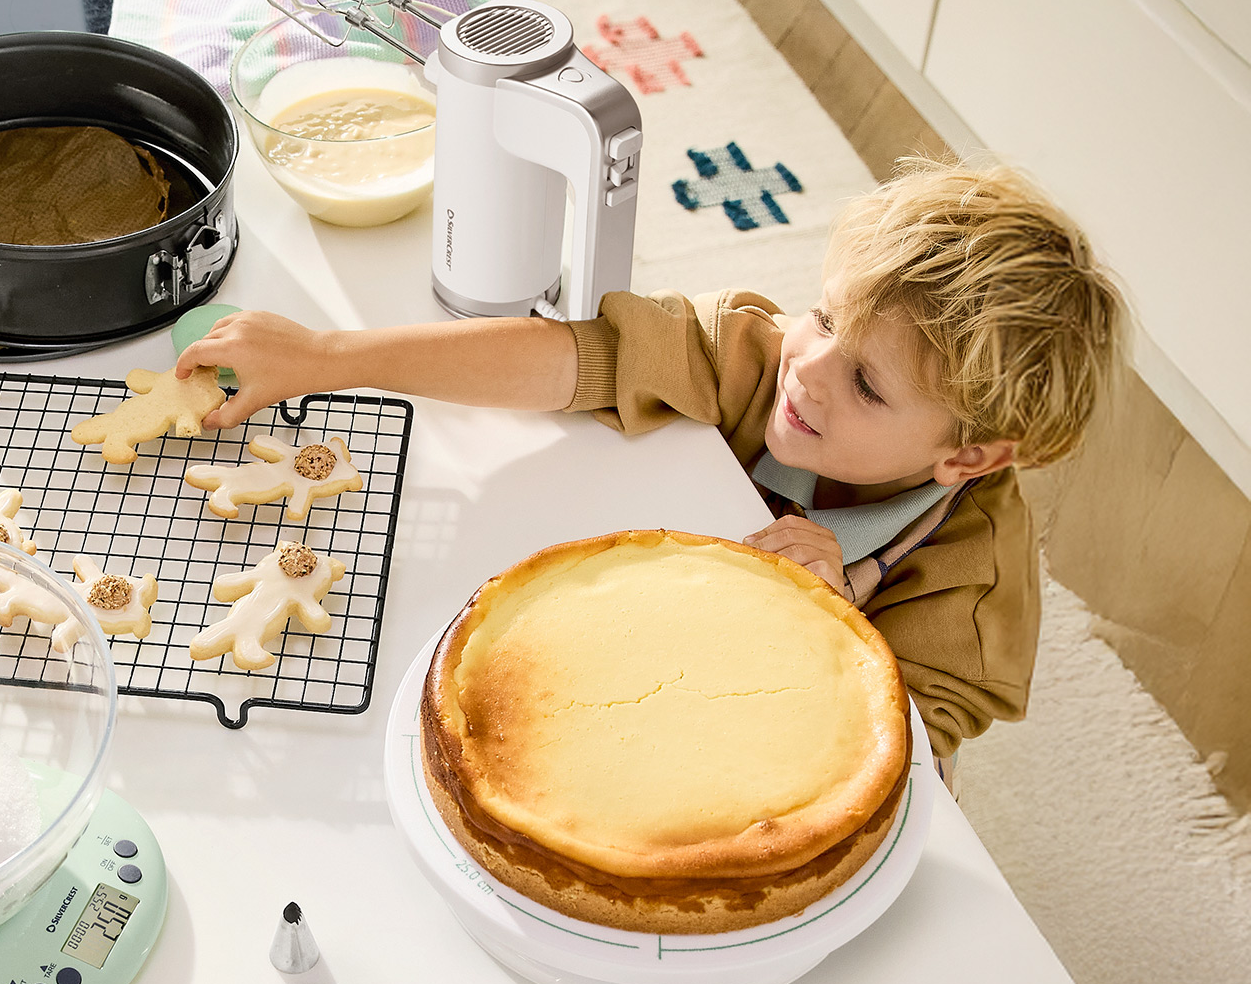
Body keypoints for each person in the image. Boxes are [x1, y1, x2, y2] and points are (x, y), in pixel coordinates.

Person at [173, 158, 1126, 765]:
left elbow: (901, 757)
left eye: (869, 386)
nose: (810, 367)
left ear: (970, 454)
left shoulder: (975, 584)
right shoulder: (759, 352)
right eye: (826, 315)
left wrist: (835, 627)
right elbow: (570, 359)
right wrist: (328, 358)